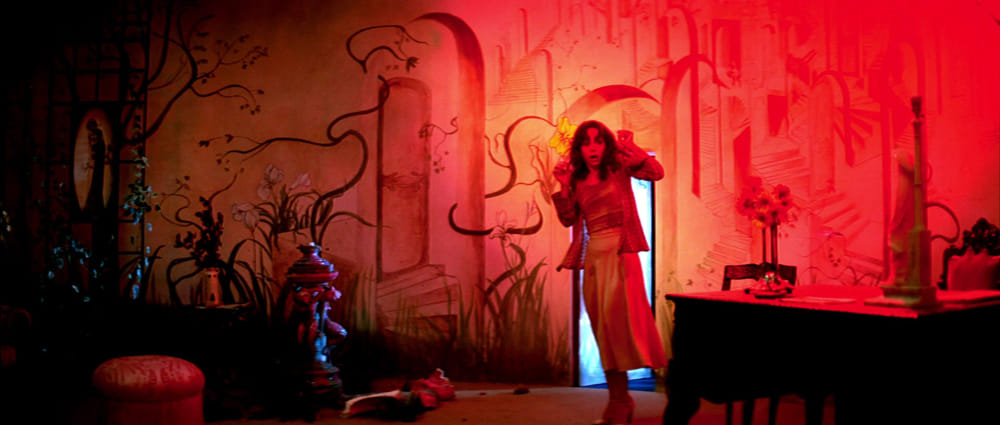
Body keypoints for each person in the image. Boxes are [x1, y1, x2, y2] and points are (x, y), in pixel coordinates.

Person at [552, 120, 667, 425]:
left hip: (620, 254)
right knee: (602, 329)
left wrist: (631, 147)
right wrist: (564, 185)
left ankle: (620, 400)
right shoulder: (577, 180)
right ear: (579, 150)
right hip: (594, 260)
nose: (593, 148)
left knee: (618, 327)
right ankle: (619, 400)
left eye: (598, 141)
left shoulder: (619, 169)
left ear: (607, 145)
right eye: (586, 142)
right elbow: (567, 219)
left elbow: (656, 172)